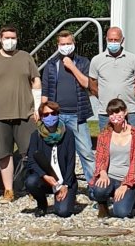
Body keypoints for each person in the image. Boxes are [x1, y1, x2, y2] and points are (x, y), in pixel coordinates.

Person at [0, 23, 40, 202]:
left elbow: (36, 81)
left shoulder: (25, 57)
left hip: (24, 114)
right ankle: (9, 190)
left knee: (30, 153)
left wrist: (37, 108)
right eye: (7, 38)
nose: (10, 41)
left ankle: (32, 187)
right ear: (0, 39)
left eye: (13, 38)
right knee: (4, 153)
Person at [41, 30, 95, 182]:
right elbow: (45, 92)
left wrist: (71, 66)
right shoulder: (51, 64)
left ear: (74, 44)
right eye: (62, 44)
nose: (65, 47)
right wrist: (42, 112)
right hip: (56, 116)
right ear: (58, 45)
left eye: (68, 44)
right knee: (56, 153)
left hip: (78, 116)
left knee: (86, 154)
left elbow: (87, 84)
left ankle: (95, 191)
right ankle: (59, 185)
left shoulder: (83, 62)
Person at [88, 97, 135, 218]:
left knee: (121, 213)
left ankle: (130, 196)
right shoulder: (105, 134)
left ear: (125, 112)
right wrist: (103, 173)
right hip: (109, 176)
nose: (115, 116)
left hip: (126, 179)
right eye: (111, 113)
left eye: (118, 112)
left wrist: (125, 185)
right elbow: (100, 158)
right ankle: (103, 204)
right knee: (98, 190)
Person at [24, 99, 77, 217]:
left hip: (64, 180)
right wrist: (44, 176)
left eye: (53, 114)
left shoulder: (68, 133)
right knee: (31, 181)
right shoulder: (35, 135)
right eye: (46, 115)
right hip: (46, 180)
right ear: (41, 117)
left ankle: (67, 195)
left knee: (63, 212)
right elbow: (31, 161)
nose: (50, 117)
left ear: (58, 114)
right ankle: (42, 204)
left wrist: (66, 185)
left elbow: (71, 162)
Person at [89, 27, 135, 127]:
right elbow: (92, 85)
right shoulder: (96, 60)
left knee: (131, 141)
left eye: (116, 40)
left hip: (129, 111)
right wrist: (103, 96)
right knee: (106, 142)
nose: (113, 42)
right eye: (110, 40)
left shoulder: (134, 59)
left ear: (122, 40)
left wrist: (128, 96)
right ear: (106, 39)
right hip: (105, 112)